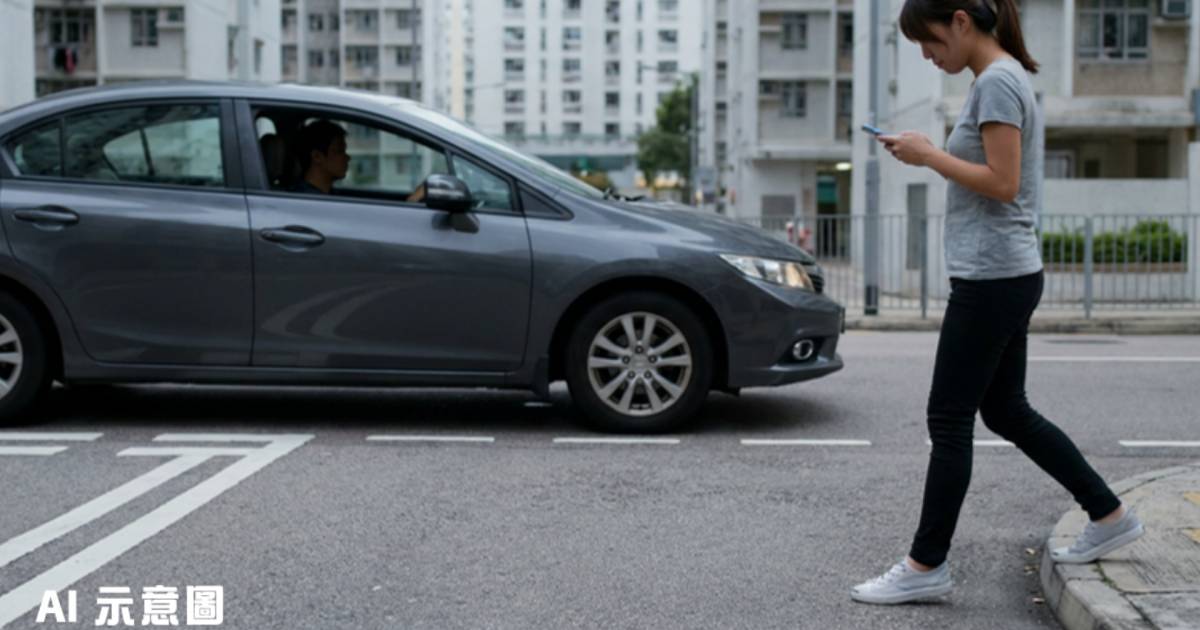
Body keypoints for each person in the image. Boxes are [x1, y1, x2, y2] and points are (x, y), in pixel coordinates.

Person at [849, 0, 1145, 606]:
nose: (927, 56)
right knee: (1005, 410)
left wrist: (928, 154)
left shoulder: (999, 82)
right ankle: (1109, 514)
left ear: (961, 20)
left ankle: (925, 564)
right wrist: (929, 152)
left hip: (992, 278)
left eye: (928, 41)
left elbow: (1004, 184)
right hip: (1002, 273)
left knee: (949, 418)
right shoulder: (999, 79)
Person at [292, 119, 428, 202]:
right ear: (317, 157)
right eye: (340, 151)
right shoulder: (307, 201)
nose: (347, 157)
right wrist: (410, 204)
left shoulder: (327, 194)